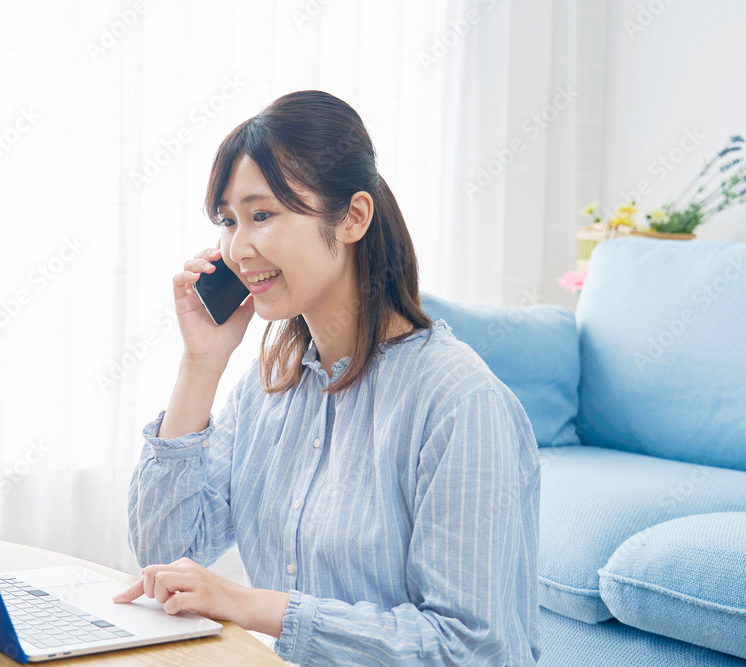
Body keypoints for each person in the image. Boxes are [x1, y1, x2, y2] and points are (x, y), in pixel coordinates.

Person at [112, 90, 541, 666]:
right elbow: (167, 552)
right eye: (228, 221)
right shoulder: (272, 385)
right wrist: (201, 364)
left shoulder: (459, 401)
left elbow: (467, 649)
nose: (238, 249)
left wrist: (251, 605)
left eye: (262, 215)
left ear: (353, 217)